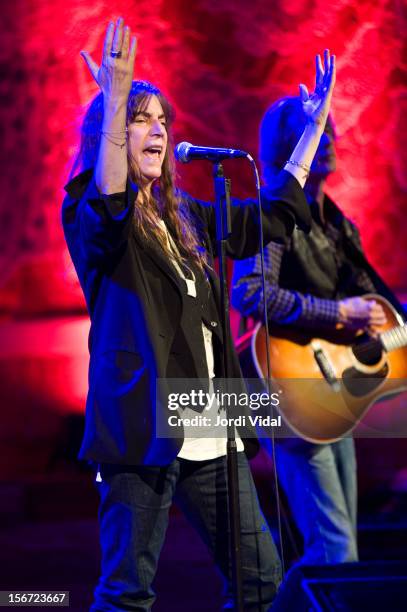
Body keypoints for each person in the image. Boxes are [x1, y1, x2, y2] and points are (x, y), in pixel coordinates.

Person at [62, 16, 336, 610]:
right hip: (141, 422)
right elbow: (109, 202)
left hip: (212, 417)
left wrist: (308, 137)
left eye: (163, 119)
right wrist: (113, 102)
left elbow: (268, 217)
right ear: (114, 133)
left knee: (263, 581)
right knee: (127, 594)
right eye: (142, 119)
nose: (157, 129)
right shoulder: (92, 213)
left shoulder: (184, 214)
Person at [232, 96, 405, 566]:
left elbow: (384, 312)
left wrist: (374, 317)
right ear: (286, 148)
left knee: (340, 553)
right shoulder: (272, 214)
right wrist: (336, 315)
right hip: (290, 397)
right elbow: (248, 293)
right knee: (334, 551)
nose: (325, 141)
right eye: (312, 131)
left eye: (328, 130)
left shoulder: (341, 228)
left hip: (331, 402)